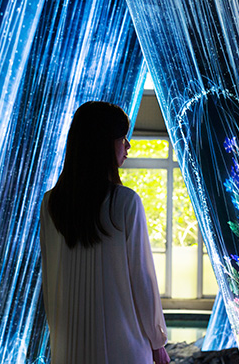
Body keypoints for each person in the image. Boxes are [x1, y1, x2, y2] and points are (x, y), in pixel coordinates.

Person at [40, 101, 170, 364]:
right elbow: (142, 281)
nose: (128, 145)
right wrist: (158, 341)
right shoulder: (125, 202)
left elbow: (50, 281)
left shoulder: (51, 203)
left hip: (69, 349)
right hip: (125, 349)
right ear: (103, 144)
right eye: (122, 137)